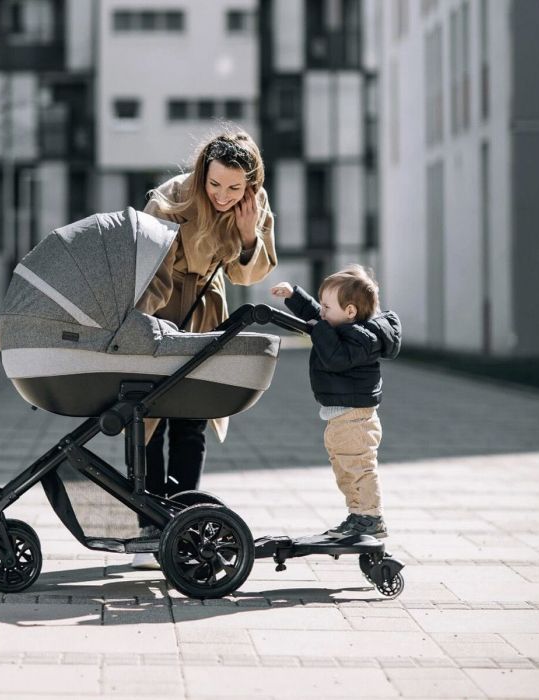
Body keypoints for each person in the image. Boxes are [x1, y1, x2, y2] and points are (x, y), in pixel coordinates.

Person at [132, 130, 277, 567]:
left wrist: (250, 235)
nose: (222, 195)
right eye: (215, 184)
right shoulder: (171, 198)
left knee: (192, 416)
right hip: (155, 303)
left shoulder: (254, 204)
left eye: (234, 187)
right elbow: (145, 264)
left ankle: (184, 524)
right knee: (147, 417)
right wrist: (149, 328)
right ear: (202, 173)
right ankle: (148, 526)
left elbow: (245, 276)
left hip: (204, 311)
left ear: (249, 183)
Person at [270, 265, 401, 539]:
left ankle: (370, 517)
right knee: (347, 471)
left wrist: (318, 329)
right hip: (343, 418)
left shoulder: (362, 339)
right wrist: (295, 296)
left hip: (354, 419)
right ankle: (358, 515)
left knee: (358, 468)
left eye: (327, 307)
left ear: (350, 311)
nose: (322, 312)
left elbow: (334, 356)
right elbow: (320, 319)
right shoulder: (344, 327)